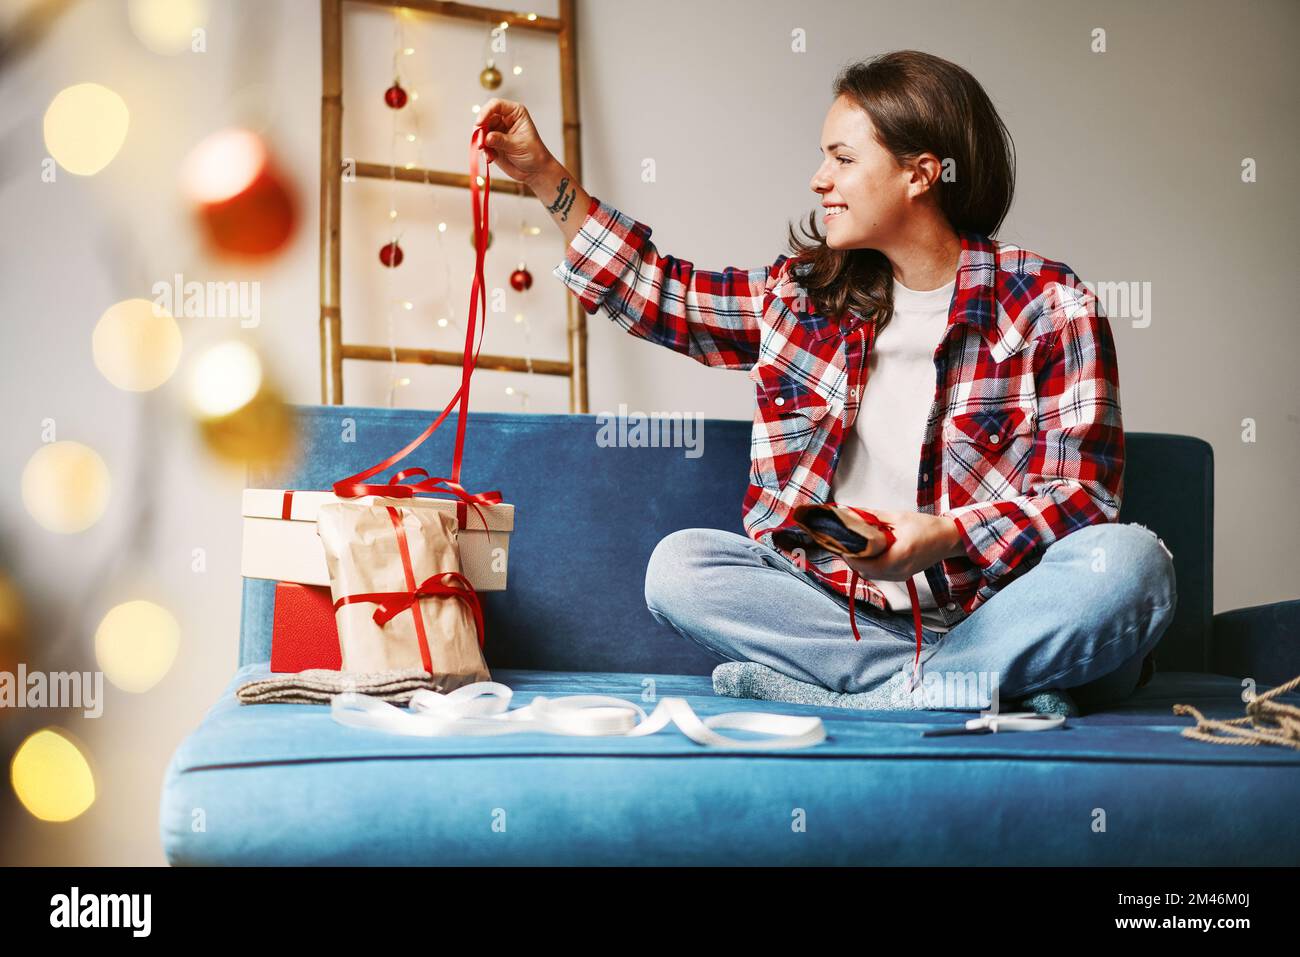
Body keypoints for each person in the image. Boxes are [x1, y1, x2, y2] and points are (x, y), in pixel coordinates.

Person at [472, 50, 1176, 712]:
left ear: (921, 173)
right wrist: (542, 175)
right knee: (679, 567)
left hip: (999, 614)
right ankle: (952, 688)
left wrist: (947, 534)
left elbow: (1082, 501)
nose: (819, 178)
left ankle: (895, 690)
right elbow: (659, 292)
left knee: (1131, 563)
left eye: (842, 158)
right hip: (846, 622)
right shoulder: (803, 297)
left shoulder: (1052, 305)